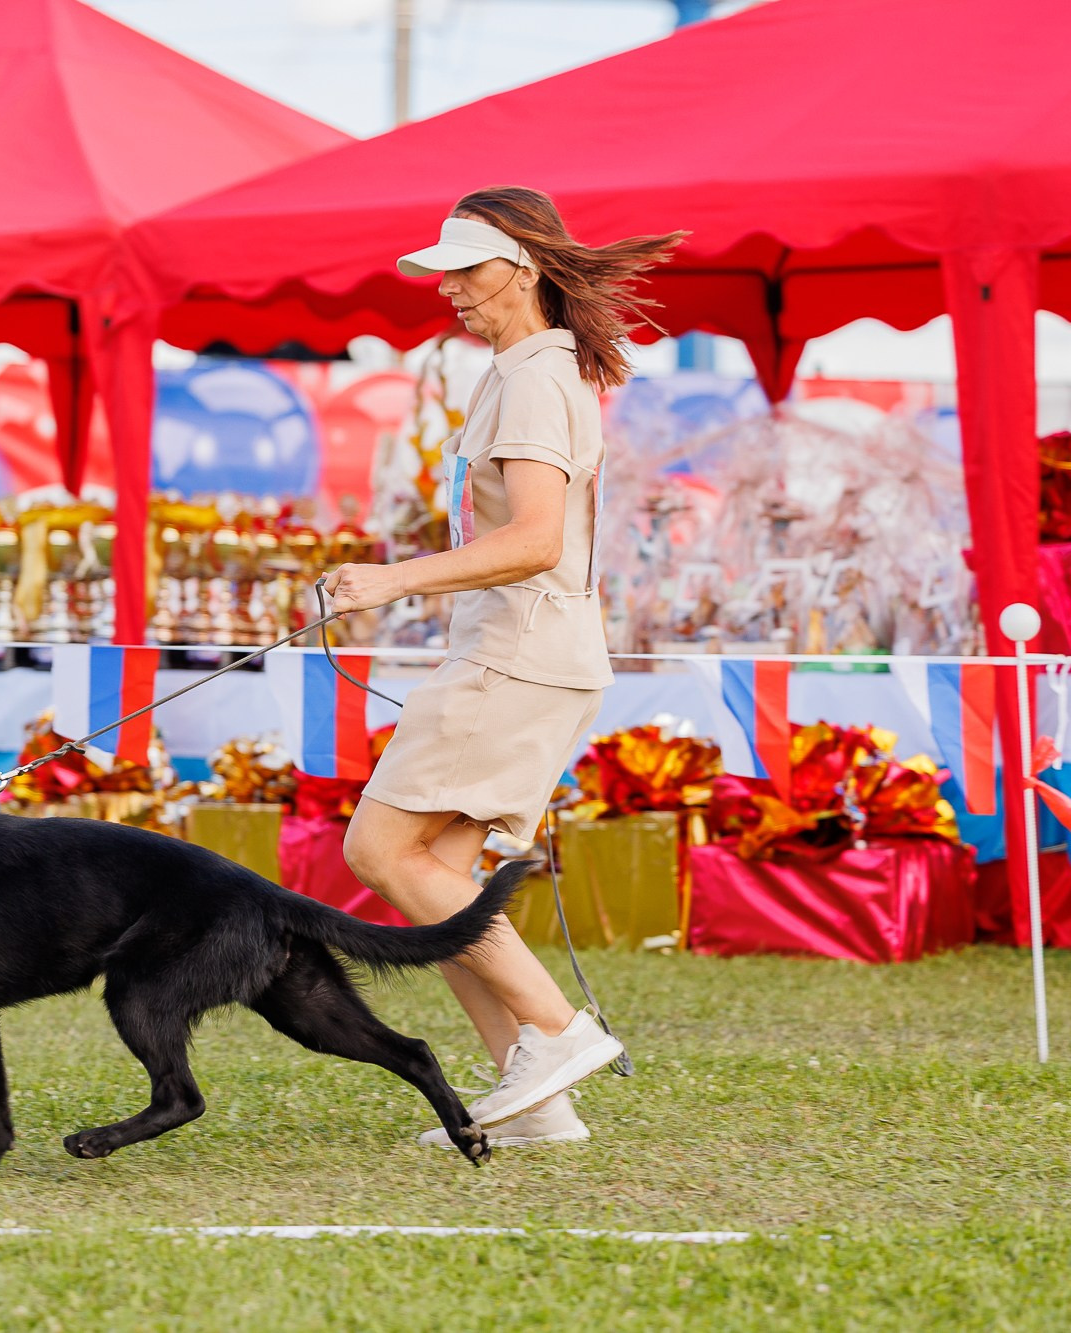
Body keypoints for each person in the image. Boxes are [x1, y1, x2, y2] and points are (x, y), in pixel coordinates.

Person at [324, 187, 684, 1150]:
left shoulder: (533, 377)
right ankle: (537, 1106)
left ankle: (560, 1034)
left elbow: (532, 540)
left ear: (523, 267)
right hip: (526, 649)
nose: (448, 289)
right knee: (432, 875)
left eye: (467, 269)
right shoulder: (528, 368)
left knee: (381, 852)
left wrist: (389, 580)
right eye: (443, 272)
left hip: (516, 650)